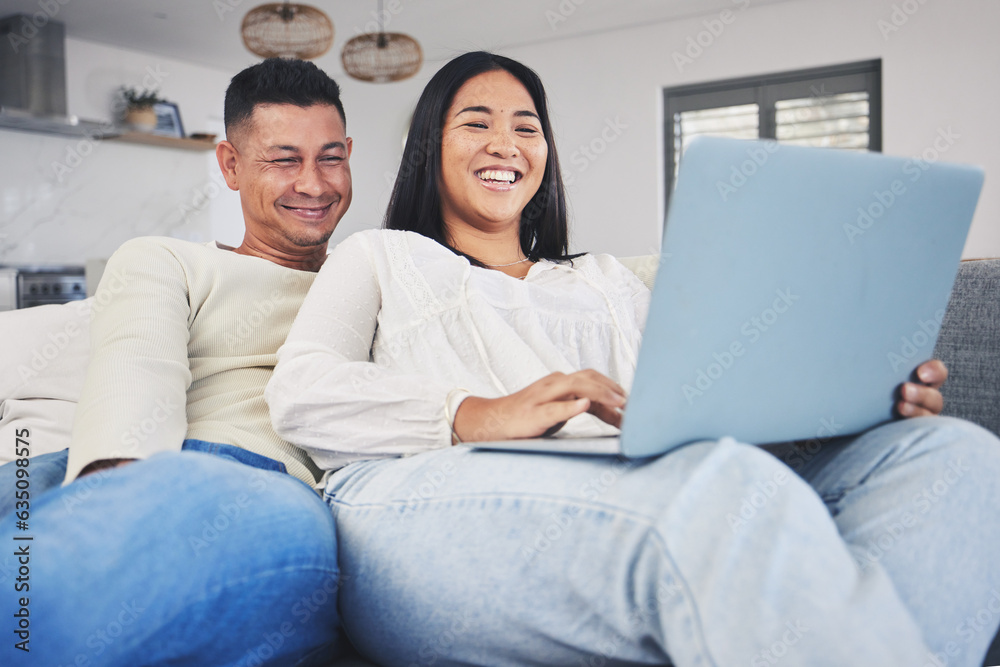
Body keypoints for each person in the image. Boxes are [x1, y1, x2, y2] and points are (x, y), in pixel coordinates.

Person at [266, 51, 1000, 666]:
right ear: (429, 145)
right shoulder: (382, 255)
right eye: (476, 123)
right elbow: (299, 390)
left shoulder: (606, 280)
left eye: (527, 126)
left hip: (637, 478)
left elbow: (702, 413)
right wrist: (471, 411)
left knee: (955, 457)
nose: (506, 143)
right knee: (717, 490)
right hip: (420, 500)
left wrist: (862, 398)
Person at [0, 58, 353, 665]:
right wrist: (117, 502)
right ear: (231, 166)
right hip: (98, 466)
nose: (314, 184)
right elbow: (136, 364)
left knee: (51, 601)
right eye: (284, 159)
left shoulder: (373, 277)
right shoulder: (168, 259)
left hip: (254, 480)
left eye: (330, 157)